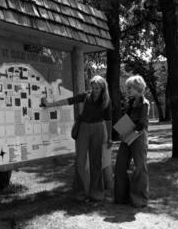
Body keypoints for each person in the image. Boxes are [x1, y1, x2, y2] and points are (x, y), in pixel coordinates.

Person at [41, 75, 112, 202]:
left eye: (97, 88)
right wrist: (50, 104)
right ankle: (80, 192)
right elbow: (69, 100)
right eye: (93, 87)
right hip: (83, 128)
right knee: (80, 160)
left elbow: (108, 120)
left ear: (102, 89)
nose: (94, 90)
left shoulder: (106, 100)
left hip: (98, 130)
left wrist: (109, 137)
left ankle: (96, 192)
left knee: (96, 161)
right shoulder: (86, 96)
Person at [114, 75, 150, 207]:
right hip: (127, 136)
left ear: (138, 88)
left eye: (130, 87)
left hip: (139, 137)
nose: (128, 89)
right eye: (128, 87)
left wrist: (128, 134)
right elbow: (127, 120)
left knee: (140, 167)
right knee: (120, 166)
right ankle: (121, 197)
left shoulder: (145, 103)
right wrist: (122, 133)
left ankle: (139, 199)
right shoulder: (130, 102)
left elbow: (141, 124)